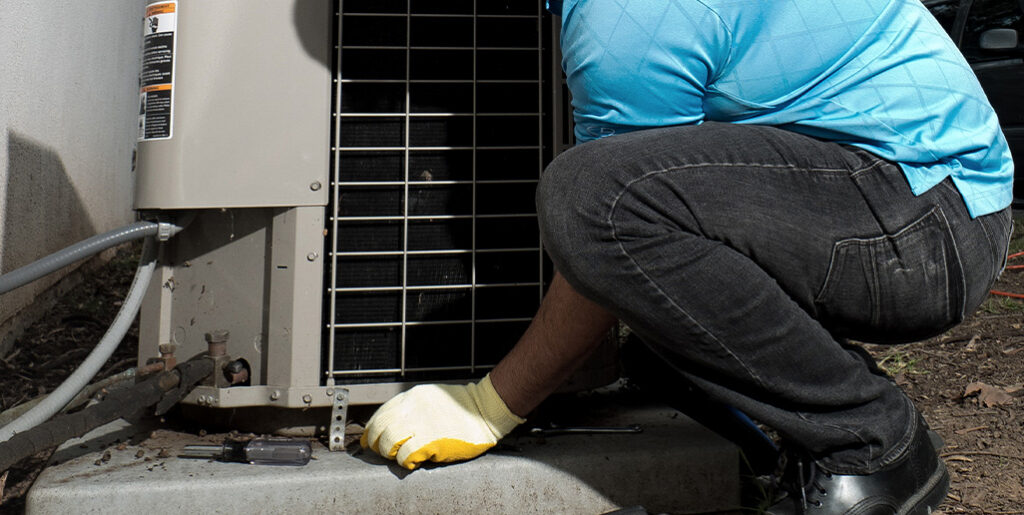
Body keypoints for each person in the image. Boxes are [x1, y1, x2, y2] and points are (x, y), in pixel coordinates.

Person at [360, 1, 1015, 512]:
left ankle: (869, 441)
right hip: (927, 202)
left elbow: (614, 226)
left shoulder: (625, 21)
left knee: (588, 197)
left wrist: (492, 402)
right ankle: (796, 450)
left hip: (924, 225)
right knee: (663, 341)